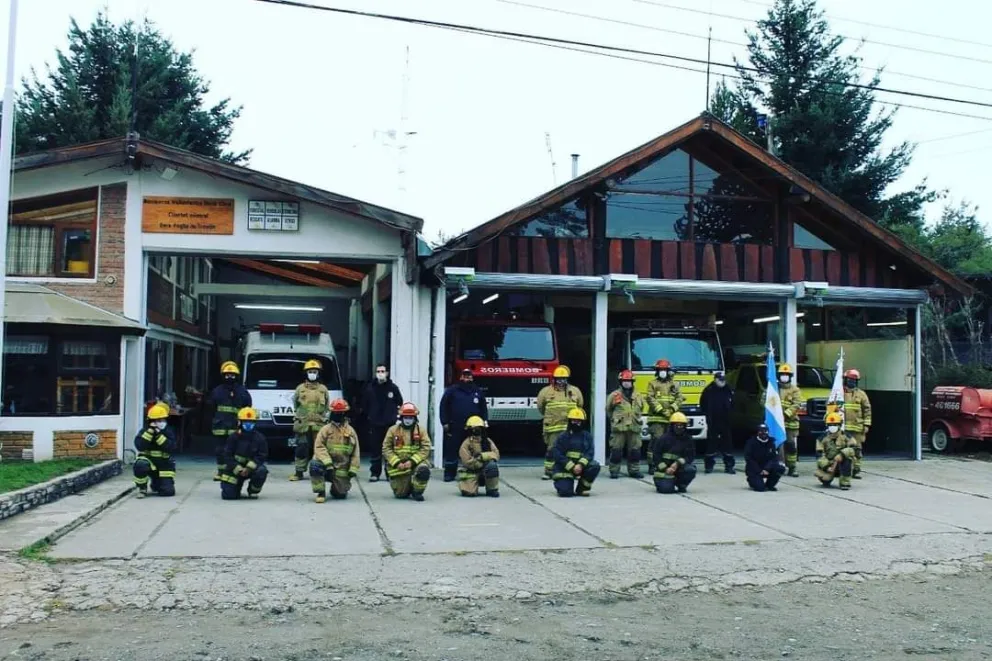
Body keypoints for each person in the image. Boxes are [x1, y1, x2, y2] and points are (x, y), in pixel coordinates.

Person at [439, 368, 488, 482]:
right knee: (452, 450)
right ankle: (450, 474)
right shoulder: (452, 391)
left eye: (469, 375)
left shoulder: (478, 392)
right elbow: (443, 406)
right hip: (454, 425)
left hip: (473, 428)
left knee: (474, 450)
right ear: (460, 377)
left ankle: (474, 472)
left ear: (472, 377)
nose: (467, 378)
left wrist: (484, 422)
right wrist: (444, 422)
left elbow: (483, 409)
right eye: (465, 375)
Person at [536, 365, 584, 480]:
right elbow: (540, 407)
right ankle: (549, 471)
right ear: (554, 379)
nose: (561, 381)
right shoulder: (546, 392)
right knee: (552, 449)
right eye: (559, 379)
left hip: (571, 427)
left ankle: (573, 471)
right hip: (553, 427)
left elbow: (580, 406)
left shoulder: (575, 391)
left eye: (564, 379)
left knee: (573, 450)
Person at [207, 361, 252, 481]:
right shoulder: (217, 391)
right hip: (220, 426)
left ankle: (233, 470)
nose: (230, 377)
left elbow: (248, 408)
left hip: (235, 425)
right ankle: (221, 472)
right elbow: (210, 408)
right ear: (223, 375)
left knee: (236, 450)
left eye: (232, 375)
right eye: (227, 375)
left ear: (236, 376)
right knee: (220, 450)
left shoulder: (243, 391)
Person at [310, 398, 361, 503]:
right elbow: (318, 447)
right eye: (335, 413)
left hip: (342, 467)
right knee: (315, 465)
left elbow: (356, 452)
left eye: (340, 413)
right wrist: (328, 463)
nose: (338, 415)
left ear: (345, 413)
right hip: (325, 464)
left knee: (340, 494)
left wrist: (353, 469)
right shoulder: (325, 429)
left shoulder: (350, 431)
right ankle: (321, 492)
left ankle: (336, 489)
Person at [360, 363, 403, 482]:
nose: (380, 373)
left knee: (390, 449)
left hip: (390, 424)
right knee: (375, 450)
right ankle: (375, 473)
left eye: (382, 371)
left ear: (387, 373)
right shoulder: (370, 388)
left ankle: (390, 473)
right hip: (375, 423)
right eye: (378, 371)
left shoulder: (393, 388)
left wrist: (394, 415)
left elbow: (399, 401)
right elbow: (365, 405)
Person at [382, 401, 432, 501]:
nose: (408, 420)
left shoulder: (421, 430)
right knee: (401, 495)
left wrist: (412, 461)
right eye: (405, 417)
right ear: (401, 418)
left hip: (416, 463)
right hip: (399, 465)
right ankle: (406, 486)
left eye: (410, 418)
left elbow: (426, 447)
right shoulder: (392, 430)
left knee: (423, 471)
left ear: (415, 418)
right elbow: (386, 448)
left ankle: (417, 491)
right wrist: (396, 463)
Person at [290, 358, 330, 481]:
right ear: (306, 373)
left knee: (319, 449)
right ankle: (299, 472)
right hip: (303, 424)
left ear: (318, 374)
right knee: (301, 448)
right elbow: (296, 405)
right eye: (310, 371)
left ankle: (319, 471)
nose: (312, 374)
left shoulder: (323, 389)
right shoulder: (299, 389)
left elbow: (327, 407)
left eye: (315, 371)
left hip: (319, 425)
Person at [219, 407, 269, 500]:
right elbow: (227, 455)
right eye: (245, 421)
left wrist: (248, 468)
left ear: (255, 423)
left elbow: (262, 456)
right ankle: (236, 488)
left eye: (251, 422)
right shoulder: (233, 437)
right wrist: (238, 469)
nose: (248, 424)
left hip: (252, 469)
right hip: (235, 469)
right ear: (240, 422)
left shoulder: (260, 438)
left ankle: (253, 491)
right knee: (229, 496)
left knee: (261, 471)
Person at [550, 408, 601, 497]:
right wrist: (572, 466)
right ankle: (565, 486)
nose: (576, 423)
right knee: (566, 493)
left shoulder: (587, 436)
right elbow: (557, 454)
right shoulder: (562, 437)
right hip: (564, 468)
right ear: (570, 421)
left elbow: (590, 453)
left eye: (578, 421)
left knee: (594, 466)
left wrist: (580, 465)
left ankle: (582, 489)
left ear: (582, 422)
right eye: (573, 420)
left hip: (580, 467)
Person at [606, 369, 646, 479]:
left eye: (629, 381)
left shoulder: (638, 395)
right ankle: (614, 471)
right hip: (619, 428)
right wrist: (616, 420)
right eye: (624, 381)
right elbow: (608, 410)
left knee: (635, 451)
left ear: (633, 382)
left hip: (634, 427)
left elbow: (641, 408)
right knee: (616, 451)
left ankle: (634, 471)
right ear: (620, 382)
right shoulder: (614, 395)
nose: (627, 383)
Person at [133, 402, 177, 498]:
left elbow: (171, 447)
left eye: (163, 419)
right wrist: (150, 433)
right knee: (140, 464)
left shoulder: (168, 431)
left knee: (167, 492)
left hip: (164, 464)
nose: (161, 422)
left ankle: (156, 484)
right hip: (149, 463)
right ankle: (142, 488)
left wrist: (158, 436)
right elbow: (140, 446)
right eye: (158, 420)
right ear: (151, 421)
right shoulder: (144, 431)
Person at [645, 359, 684, 468]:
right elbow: (650, 398)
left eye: (664, 369)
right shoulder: (652, 383)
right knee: (657, 441)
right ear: (657, 371)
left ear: (668, 371)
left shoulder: (674, 384)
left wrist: (671, 409)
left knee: (670, 442)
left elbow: (680, 398)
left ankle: (667, 464)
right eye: (660, 369)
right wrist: (661, 410)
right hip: (656, 419)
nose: (663, 371)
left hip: (670, 419)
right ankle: (652, 464)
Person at [650, 412, 697, 494]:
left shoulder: (688, 439)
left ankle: (681, 485)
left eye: (682, 425)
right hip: (664, 471)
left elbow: (690, 456)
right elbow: (656, 456)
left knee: (690, 469)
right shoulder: (663, 439)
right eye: (677, 425)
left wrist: (677, 463)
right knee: (667, 490)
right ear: (672, 426)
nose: (679, 427)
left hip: (679, 468)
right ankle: (666, 484)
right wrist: (666, 469)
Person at [700, 370, 735, 474]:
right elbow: (703, 404)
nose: (722, 382)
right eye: (720, 380)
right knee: (711, 444)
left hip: (726, 422)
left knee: (727, 445)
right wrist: (708, 416)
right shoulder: (708, 390)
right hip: (713, 422)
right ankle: (709, 466)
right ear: (715, 379)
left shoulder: (729, 389)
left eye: (723, 380)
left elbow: (733, 403)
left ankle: (729, 466)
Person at [457, 415, 501, 498]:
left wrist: (482, 456)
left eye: (478, 428)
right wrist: (480, 463)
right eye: (474, 428)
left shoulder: (487, 441)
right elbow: (467, 462)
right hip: (472, 471)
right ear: (469, 430)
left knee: (492, 466)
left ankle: (492, 490)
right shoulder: (466, 444)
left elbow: (496, 454)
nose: (476, 430)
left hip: (485, 468)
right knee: (469, 493)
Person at [815, 412, 857, 490]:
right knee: (826, 479)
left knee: (847, 460)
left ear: (840, 425)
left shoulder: (846, 436)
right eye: (830, 425)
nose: (832, 427)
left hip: (842, 461)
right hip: (830, 464)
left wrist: (842, 454)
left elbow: (854, 448)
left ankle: (845, 482)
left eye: (835, 424)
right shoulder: (821, 438)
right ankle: (826, 478)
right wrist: (826, 467)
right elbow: (819, 455)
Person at [843, 368, 872, 479]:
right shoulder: (839, 393)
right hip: (843, 428)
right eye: (849, 379)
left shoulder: (861, 394)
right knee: (843, 450)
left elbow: (867, 410)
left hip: (857, 428)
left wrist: (866, 425)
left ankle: (856, 470)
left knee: (857, 450)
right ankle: (844, 470)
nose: (851, 382)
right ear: (845, 380)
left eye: (854, 380)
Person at [778, 364, 803, 477]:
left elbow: (797, 404)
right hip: (777, 423)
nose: (784, 377)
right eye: (782, 375)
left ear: (790, 376)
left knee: (790, 445)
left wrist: (786, 414)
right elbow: (764, 402)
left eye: (786, 375)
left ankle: (792, 467)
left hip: (790, 423)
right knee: (778, 446)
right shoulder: (773, 388)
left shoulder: (795, 390)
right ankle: (779, 466)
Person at [744, 423, 785, 492]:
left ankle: (769, 485)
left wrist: (767, 469)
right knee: (760, 489)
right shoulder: (751, 442)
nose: (763, 433)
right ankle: (752, 481)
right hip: (755, 468)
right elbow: (748, 458)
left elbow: (774, 458)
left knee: (780, 468)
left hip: (767, 467)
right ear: (757, 432)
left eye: (765, 431)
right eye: (761, 431)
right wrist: (759, 470)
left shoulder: (771, 442)